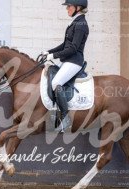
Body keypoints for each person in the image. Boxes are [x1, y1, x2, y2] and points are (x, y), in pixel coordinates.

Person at [40, 0, 89, 133]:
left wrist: (54, 56)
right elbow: (64, 45)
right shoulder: (75, 22)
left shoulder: (81, 25)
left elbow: (73, 48)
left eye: (69, 6)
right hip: (67, 59)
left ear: (78, 7)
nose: (67, 8)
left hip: (74, 61)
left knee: (56, 82)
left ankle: (66, 119)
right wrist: (49, 52)